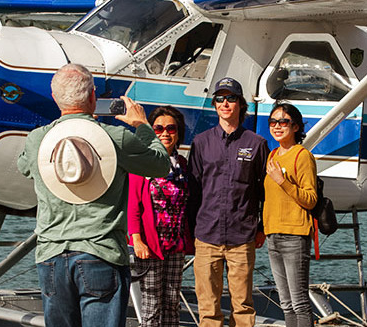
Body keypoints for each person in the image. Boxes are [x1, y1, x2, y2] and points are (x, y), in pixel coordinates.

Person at [17, 63, 170, 327]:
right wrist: (143, 125)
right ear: (92, 97)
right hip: (101, 252)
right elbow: (160, 164)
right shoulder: (116, 138)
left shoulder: (37, 139)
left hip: (51, 254)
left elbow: (24, 167)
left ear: (55, 98)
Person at [187, 77, 270, 327]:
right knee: (208, 308)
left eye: (231, 98)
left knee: (243, 306)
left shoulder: (257, 144)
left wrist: (262, 227)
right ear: (214, 105)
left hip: (242, 237)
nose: (225, 103)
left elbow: (264, 192)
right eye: (220, 99)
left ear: (240, 104)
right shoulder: (201, 143)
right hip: (206, 235)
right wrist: (191, 231)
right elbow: (193, 190)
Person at [127, 105, 189, 327]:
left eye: (171, 128)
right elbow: (132, 204)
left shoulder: (181, 164)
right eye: (159, 128)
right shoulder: (142, 163)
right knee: (151, 304)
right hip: (151, 245)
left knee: (172, 303)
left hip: (175, 245)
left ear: (178, 132)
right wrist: (136, 239)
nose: (165, 133)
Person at [263, 102, 317, 327]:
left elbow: (311, 199)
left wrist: (283, 182)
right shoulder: (272, 155)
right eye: (273, 122)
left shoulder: (302, 155)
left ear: (295, 126)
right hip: (272, 235)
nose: (277, 126)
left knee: (299, 302)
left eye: (283, 122)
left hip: (294, 236)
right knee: (285, 303)